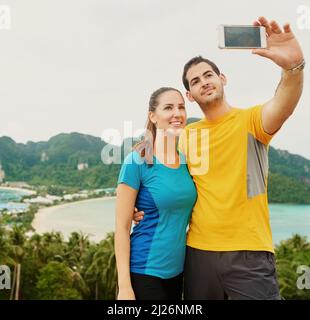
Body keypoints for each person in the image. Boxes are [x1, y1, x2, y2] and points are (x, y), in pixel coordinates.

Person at [134, 16, 304, 300]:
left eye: (208, 75)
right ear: (189, 95)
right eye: (195, 81)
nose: (204, 82)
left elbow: (283, 104)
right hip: (198, 253)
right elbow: (160, 177)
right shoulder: (184, 136)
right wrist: (141, 209)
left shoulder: (252, 121)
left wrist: (293, 68)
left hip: (249, 253)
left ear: (222, 79)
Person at [115, 87, 197, 300]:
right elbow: (122, 227)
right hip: (144, 271)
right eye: (168, 107)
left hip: (178, 273)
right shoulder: (136, 161)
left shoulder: (187, 162)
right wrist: (124, 287)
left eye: (181, 107)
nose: (177, 113)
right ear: (153, 116)